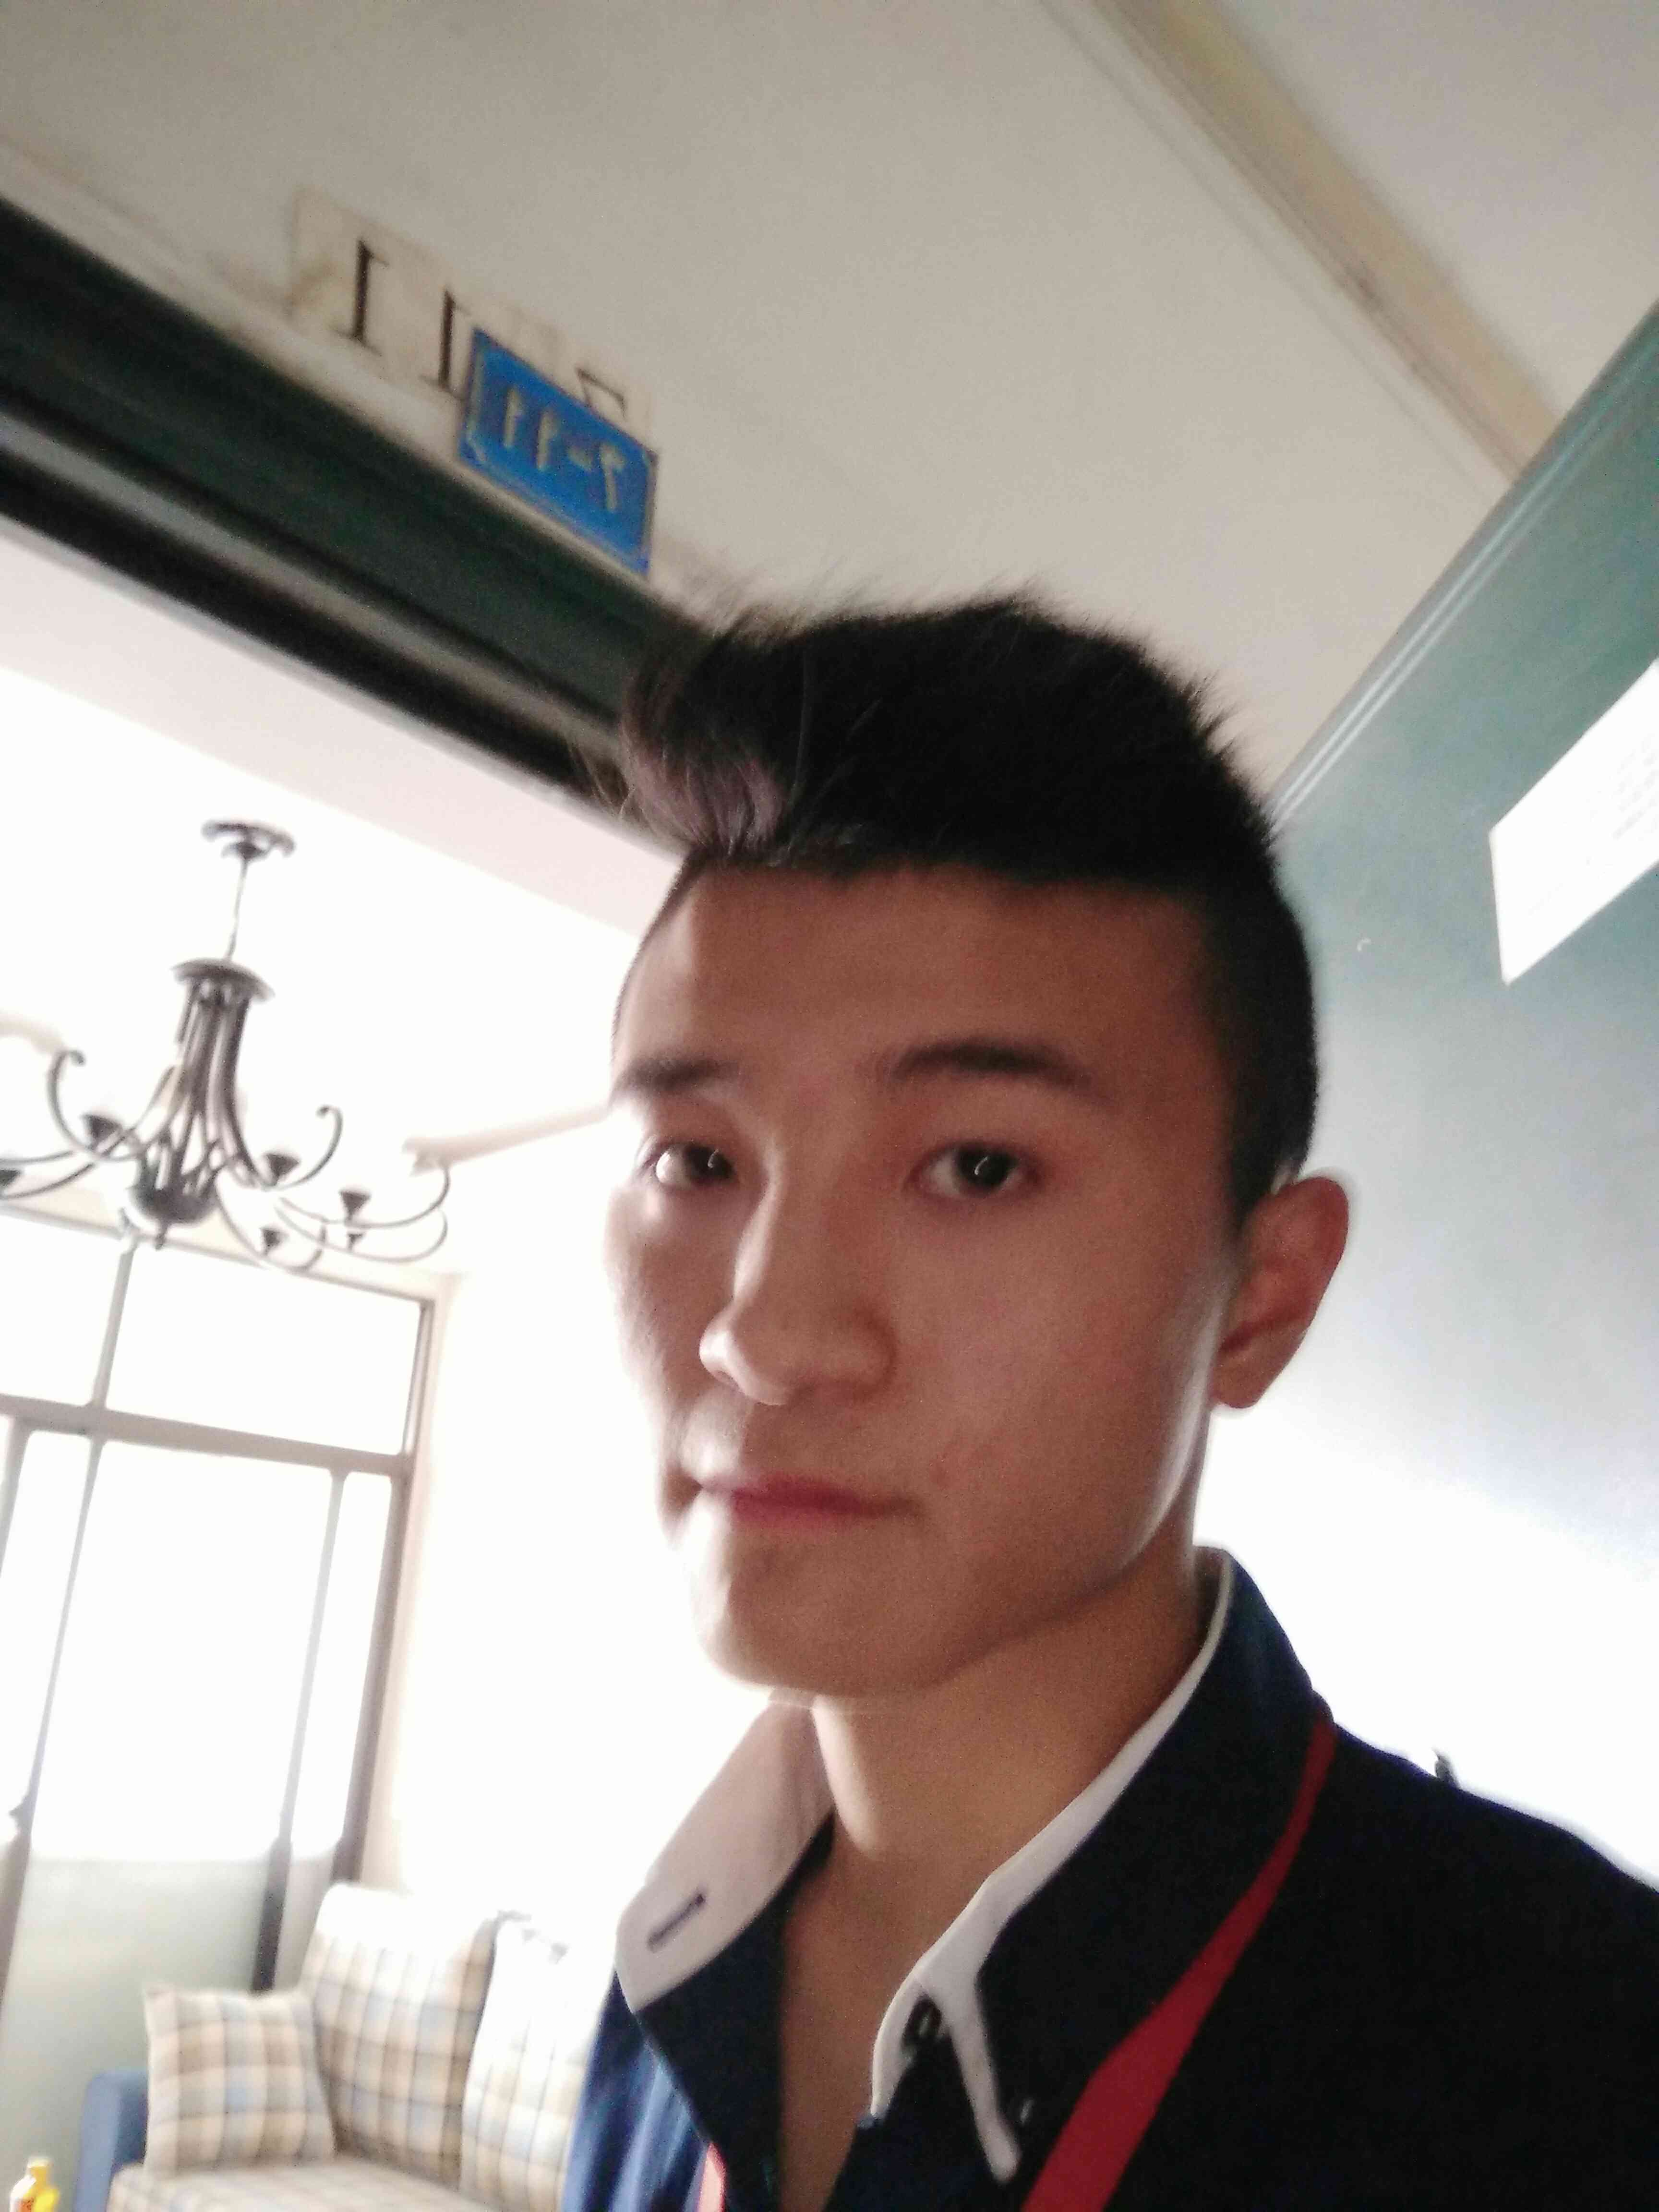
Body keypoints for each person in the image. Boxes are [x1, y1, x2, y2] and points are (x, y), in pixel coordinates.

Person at [564, 600, 1658, 2212]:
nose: (769, 1334)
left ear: (1259, 1300)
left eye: (976, 1166)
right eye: (696, 1160)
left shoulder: (1580, 2072)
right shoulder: (664, 1990)